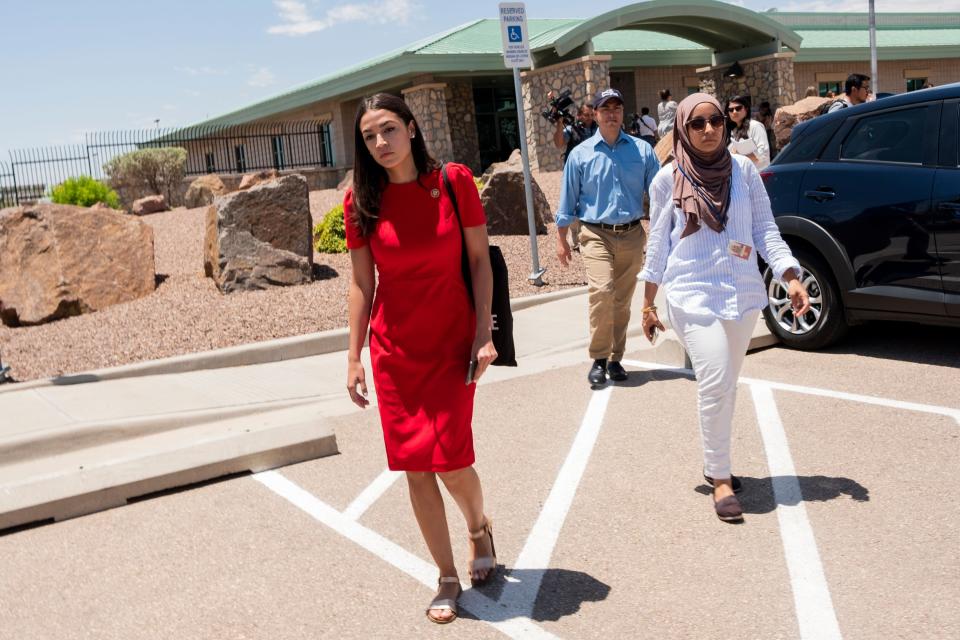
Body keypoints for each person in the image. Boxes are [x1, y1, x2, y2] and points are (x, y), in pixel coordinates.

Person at [344, 93, 498, 624]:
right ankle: (447, 576)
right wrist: (354, 356)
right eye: (369, 136)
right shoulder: (359, 201)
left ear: (411, 128)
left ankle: (479, 528)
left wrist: (483, 334)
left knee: (453, 461)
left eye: (388, 129)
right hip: (395, 351)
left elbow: (480, 263)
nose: (380, 143)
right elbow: (363, 284)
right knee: (415, 468)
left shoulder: (453, 182)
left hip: (452, 340)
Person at [638, 93, 810, 523]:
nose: (710, 129)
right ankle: (719, 478)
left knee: (726, 383)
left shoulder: (745, 170)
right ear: (682, 129)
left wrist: (790, 275)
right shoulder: (667, 179)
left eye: (716, 120)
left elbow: (764, 228)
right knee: (714, 376)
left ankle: (717, 460)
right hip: (690, 292)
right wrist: (647, 302)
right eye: (697, 123)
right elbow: (658, 243)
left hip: (740, 291)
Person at [555, 88, 660, 386]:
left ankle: (616, 359)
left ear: (622, 112)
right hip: (594, 233)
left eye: (617, 108)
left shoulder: (642, 151)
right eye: (605, 109)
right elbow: (568, 200)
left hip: (631, 235)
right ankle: (599, 359)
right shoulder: (580, 154)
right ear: (596, 114)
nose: (612, 114)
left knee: (621, 301)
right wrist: (561, 239)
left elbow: (660, 192)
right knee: (601, 292)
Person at [553, 102, 598, 251]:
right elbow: (559, 143)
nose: (589, 118)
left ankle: (588, 235)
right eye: (586, 115)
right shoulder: (571, 129)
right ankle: (575, 234)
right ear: (579, 115)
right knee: (572, 203)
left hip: (592, 173)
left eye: (592, 115)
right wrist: (559, 124)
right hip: (574, 173)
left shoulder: (597, 130)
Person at [725, 94, 770, 169]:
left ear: (746, 109)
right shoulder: (733, 131)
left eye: (738, 108)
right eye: (731, 110)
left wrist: (740, 155)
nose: (734, 112)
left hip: (757, 175)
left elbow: (763, 155)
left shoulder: (755, 126)